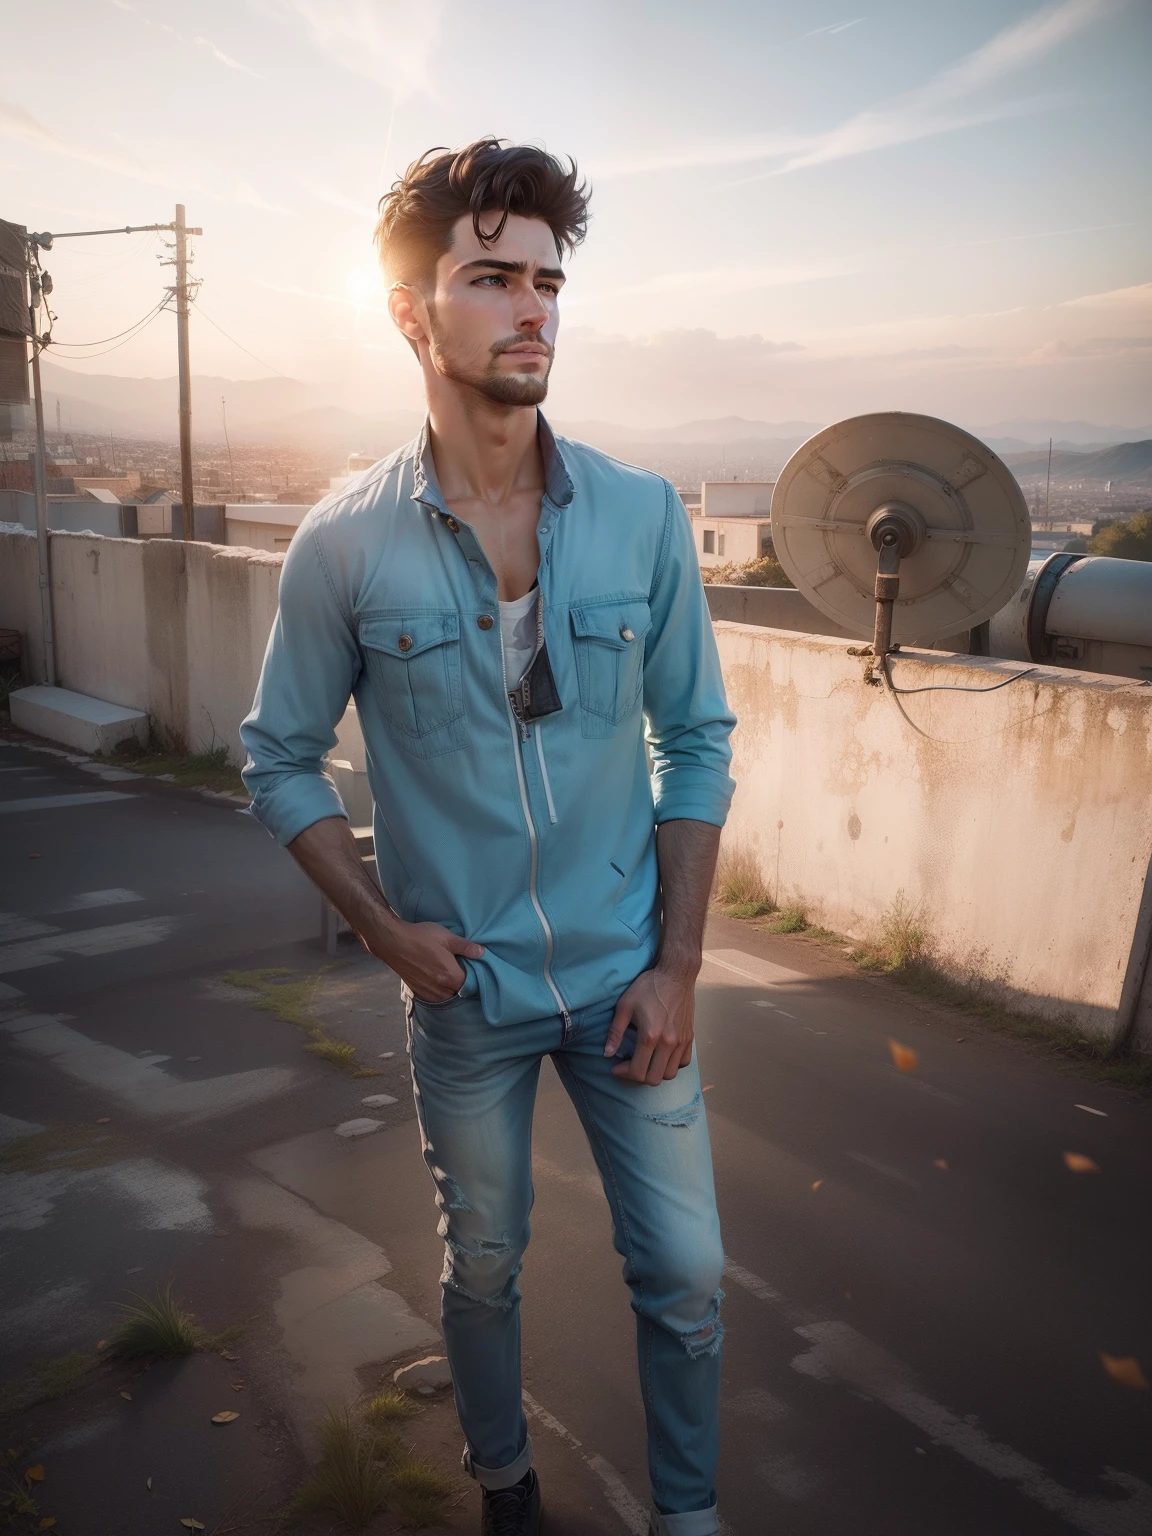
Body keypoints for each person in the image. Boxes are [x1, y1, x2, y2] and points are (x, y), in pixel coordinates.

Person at [241, 138, 736, 1536]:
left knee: (689, 1277)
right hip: (467, 994)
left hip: (631, 980)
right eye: (492, 279)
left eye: (549, 282)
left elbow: (696, 738)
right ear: (411, 311)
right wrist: (386, 930)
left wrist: (682, 962)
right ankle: (507, 1486)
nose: (534, 310)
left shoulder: (640, 516)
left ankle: (689, 1522)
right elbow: (274, 757)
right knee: (488, 1267)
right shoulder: (344, 545)